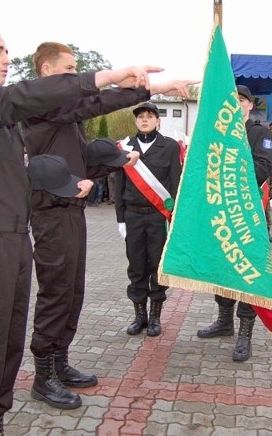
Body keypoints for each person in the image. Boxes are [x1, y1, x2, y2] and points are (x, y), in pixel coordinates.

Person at [0, 23, 174, 434]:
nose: (7, 59)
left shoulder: (1, 123)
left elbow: (21, 174)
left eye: (7, 50)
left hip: (14, 238)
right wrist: (110, 77)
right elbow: (18, 99)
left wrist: (74, 178)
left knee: (4, 348)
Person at [21, 41, 193, 411]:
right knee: (55, 293)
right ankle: (42, 376)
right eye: (69, 69)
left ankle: (60, 362)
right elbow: (96, 102)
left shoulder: (64, 112)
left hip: (72, 209)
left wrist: (114, 162)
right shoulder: (41, 105)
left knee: (73, 291)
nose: (75, 76)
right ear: (47, 71)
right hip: (51, 213)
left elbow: (79, 160)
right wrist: (150, 89)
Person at [197, 84, 272, 361]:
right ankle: (224, 321)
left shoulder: (260, 134)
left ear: (250, 105)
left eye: (241, 100)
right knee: (224, 272)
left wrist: (227, 169)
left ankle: (245, 334)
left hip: (249, 219)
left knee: (248, 275)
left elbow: (261, 170)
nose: (237, 104)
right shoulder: (217, 135)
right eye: (232, 100)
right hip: (222, 217)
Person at [115, 102, 182, 338]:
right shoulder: (123, 147)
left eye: (149, 116)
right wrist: (120, 220)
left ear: (158, 120)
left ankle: (155, 317)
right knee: (136, 267)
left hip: (158, 218)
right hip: (133, 216)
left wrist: (175, 220)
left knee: (156, 266)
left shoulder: (170, 147)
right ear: (136, 121)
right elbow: (118, 185)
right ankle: (139, 316)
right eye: (141, 116)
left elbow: (175, 184)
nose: (144, 120)